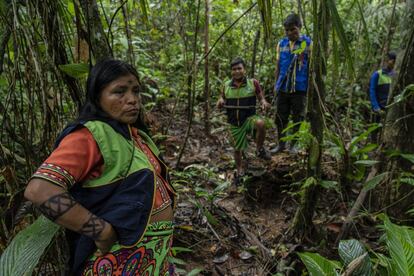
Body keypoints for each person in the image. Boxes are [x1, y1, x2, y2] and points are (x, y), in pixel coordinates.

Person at [24, 59, 177, 275]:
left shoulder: (135, 135)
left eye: (136, 91)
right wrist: (101, 231)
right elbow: (40, 189)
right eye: (119, 92)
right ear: (98, 97)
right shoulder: (90, 136)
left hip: (151, 257)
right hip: (116, 263)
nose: (132, 100)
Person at [216, 57, 271, 183]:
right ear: (231, 71)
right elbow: (221, 99)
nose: (237, 71)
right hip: (234, 122)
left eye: (239, 68)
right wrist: (220, 101)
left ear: (244, 70)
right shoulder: (226, 85)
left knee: (261, 123)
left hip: (249, 118)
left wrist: (263, 103)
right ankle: (239, 171)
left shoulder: (253, 83)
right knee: (237, 149)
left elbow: (261, 98)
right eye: (234, 69)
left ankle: (259, 149)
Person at [271, 13, 312, 154]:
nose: (289, 33)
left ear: (299, 27)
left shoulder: (307, 43)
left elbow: (312, 67)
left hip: (300, 87)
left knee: (298, 116)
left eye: (293, 29)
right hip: (283, 86)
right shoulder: (281, 44)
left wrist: (311, 88)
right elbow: (278, 66)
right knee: (281, 116)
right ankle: (281, 144)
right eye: (287, 30)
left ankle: (294, 144)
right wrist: (276, 85)